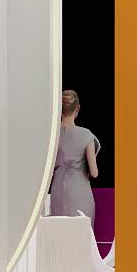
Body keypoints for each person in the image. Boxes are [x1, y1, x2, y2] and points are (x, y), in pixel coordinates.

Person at [49, 91, 100, 226]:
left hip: (58, 191)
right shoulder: (86, 135)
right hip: (79, 192)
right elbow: (94, 172)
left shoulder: (51, 135)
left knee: (59, 233)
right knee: (81, 233)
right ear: (77, 108)